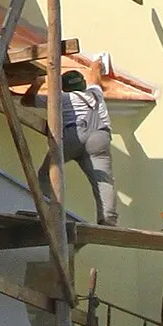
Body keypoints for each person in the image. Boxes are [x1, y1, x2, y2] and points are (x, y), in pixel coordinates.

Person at [59, 51, 120, 225]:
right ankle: (108, 218)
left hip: (73, 135)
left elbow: (28, 101)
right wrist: (97, 62)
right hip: (99, 137)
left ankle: (45, 208)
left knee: (48, 171)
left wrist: (38, 83)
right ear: (83, 84)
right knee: (103, 179)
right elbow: (95, 77)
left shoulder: (61, 98)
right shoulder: (95, 94)